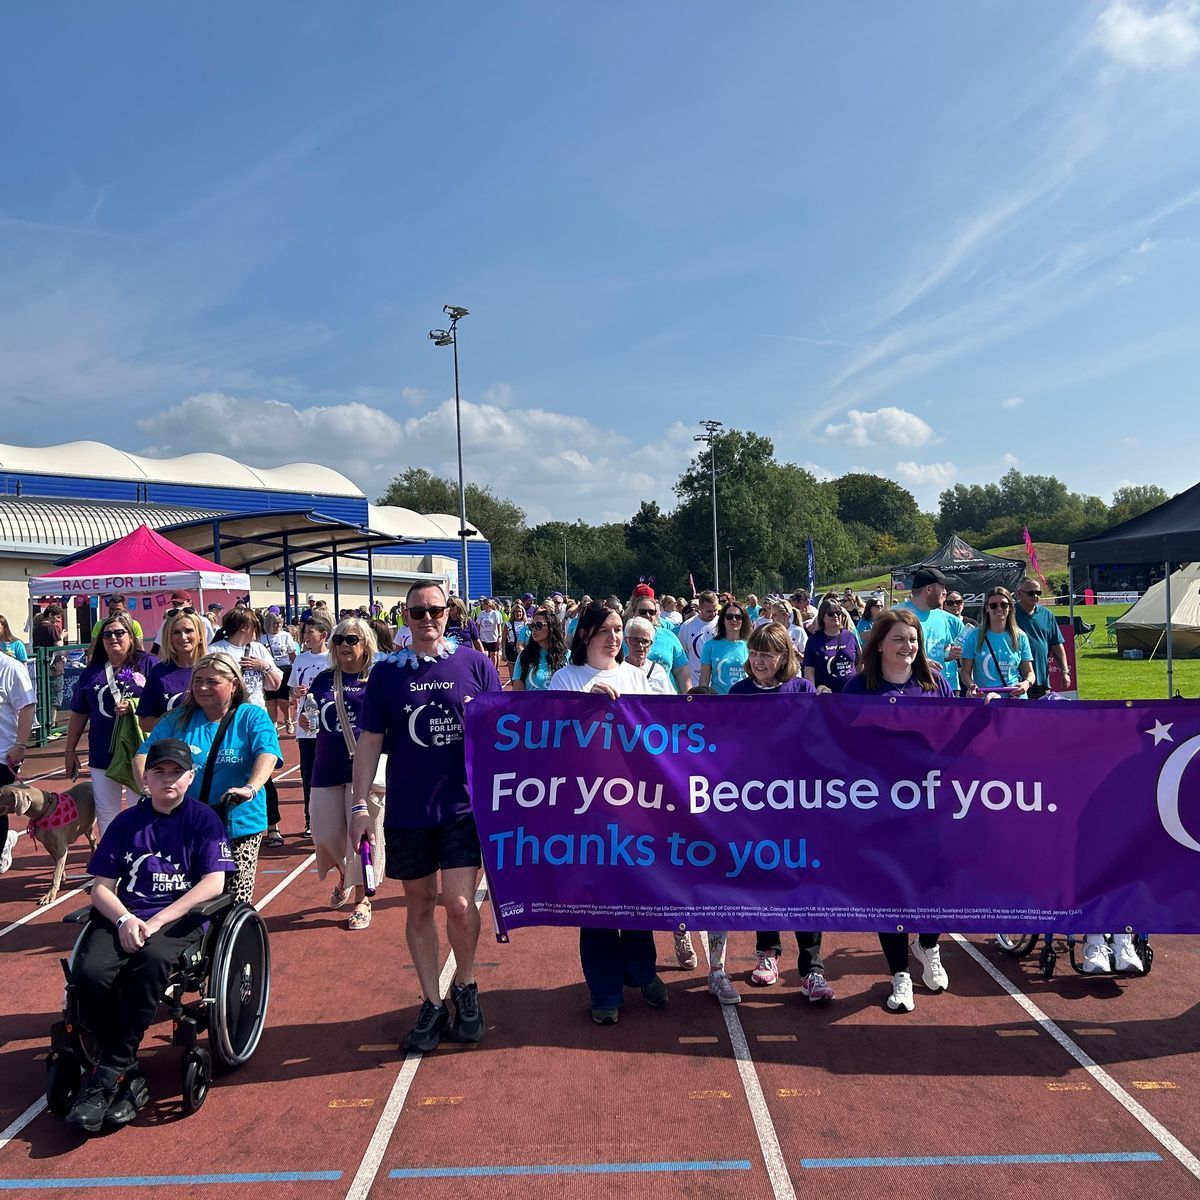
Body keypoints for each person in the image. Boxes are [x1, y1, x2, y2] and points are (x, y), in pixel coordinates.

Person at [349, 582, 501, 1052]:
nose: (428, 618)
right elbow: (370, 741)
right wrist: (358, 805)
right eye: (418, 611)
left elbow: (506, 730)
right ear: (405, 617)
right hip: (409, 807)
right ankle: (432, 1002)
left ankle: (467, 986)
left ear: (449, 612)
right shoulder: (386, 674)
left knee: (458, 904)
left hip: (462, 806)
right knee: (419, 905)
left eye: (436, 609)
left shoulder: (475, 663)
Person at [62, 738, 236, 1134]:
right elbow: (100, 887)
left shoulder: (204, 819)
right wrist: (125, 920)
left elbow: (213, 883)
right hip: (127, 917)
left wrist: (156, 922)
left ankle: (108, 1076)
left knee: (150, 964)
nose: (168, 779)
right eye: (159, 772)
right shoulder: (126, 823)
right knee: (88, 974)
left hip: (178, 921)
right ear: (146, 779)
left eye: (177, 772)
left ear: (190, 778)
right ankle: (127, 1068)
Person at [548, 602, 666, 1025]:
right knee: (595, 899)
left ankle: (642, 971)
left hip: (634, 802)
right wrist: (583, 703)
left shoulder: (637, 676)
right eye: (604, 631)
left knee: (637, 889)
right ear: (584, 635)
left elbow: (661, 734)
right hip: (585, 807)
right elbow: (547, 734)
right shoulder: (566, 678)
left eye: (618, 630)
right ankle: (604, 990)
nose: (614, 638)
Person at [843, 609, 954, 1013]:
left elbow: (953, 734)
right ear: (880, 645)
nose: (908, 647)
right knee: (889, 890)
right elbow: (840, 743)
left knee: (937, 886)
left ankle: (928, 946)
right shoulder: (858, 688)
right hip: (878, 810)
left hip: (928, 805)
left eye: (913, 639)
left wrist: (989, 713)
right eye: (899, 640)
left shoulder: (934, 683)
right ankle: (900, 974)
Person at [723, 623, 830, 1001]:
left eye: (767, 653)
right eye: (754, 653)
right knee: (764, 878)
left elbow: (820, 739)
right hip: (755, 803)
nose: (759, 661)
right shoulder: (738, 692)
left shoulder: (801, 689)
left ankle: (812, 968)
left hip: (798, 803)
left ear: (784, 656)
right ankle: (767, 953)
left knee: (803, 881)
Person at [134, 652, 281, 903]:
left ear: (233, 684)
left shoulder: (251, 717)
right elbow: (143, 755)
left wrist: (251, 788)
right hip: (187, 822)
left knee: (234, 899)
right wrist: (147, 788)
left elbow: (267, 753)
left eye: (213, 681)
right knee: (187, 895)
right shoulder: (177, 719)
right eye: (198, 680)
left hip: (237, 823)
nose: (202, 687)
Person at [307, 618, 382, 932]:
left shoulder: (377, 679)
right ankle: (344, 873)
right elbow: (311, 717)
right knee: (324, 833)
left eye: (351, 639)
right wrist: (303, 716)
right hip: (326, 765)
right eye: (338, 640)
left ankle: (362, 899)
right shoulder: (323, 680)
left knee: (363, 837)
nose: (343, 646)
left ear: (365, 643)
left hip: (365, 769)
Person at [65, 614, 156, 837]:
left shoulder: (149, 665)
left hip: (140, 752)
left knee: (141, 807)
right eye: (107, 634)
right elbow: (79, 713)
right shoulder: (92, 672)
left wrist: (134, 706)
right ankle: (112, 861)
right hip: (102, 752)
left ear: (131, 637)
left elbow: (161, 705)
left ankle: (140, 856)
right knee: (107, 812)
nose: (113, 638)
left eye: (119, 633)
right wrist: (70, 750)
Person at [210, 611, 285, 846]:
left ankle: (272, 827)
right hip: (228, 721)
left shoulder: (259, 649)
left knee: (265, 774)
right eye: (254, 626)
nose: (257, 631)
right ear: (244, 626)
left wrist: (263, 666)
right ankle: (221, 823)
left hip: (257, 719)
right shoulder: (216, 650)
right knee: (227, 769)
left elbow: (276, 683)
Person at [290, 614, 333, 838]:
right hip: (305, 726)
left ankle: (331, 820)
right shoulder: (300, 659)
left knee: (329, 773)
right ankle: (310, 820)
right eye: (304, 632)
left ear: (323, 635)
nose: (305, 636)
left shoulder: (332, 659)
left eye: (310, 633)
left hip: (328, 726)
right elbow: (292, 688)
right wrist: (295, 692)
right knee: (308, 774)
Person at [139, 609, 208, 733]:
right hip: (172, 748)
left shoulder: (214, 668)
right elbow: (144, 723)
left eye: (189, 631)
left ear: (200, 635)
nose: (183, 637)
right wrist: (169, 720)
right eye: (176, 632)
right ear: (168, 637)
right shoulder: (158, 672)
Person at [896, 568, 964, 693]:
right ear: (928, 589)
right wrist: (920, 662)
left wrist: (950, 654)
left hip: (938, 689)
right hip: (907, 689)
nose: (945, 592)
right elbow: (882, 653)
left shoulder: (942, 617)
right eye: (942, 587)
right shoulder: (895, 615)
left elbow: (942, 651)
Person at [960, 587, 1035, 699]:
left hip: (1014, 699)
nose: (999, 608)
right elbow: (965, 672)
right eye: (994, 605)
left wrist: (1026, 683)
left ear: (1010, 607)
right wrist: (971, 686)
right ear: (987, 608)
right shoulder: (974, 636)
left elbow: (1030, 672)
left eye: (1004, 605)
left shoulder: (1020, 636)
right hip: (985, 699)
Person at [0, 652, 36, 875]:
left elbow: (27, 706)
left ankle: (2, 845)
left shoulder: (10, 667)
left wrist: (20, 745)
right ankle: (6, 839)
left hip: (3, 753)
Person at [1014, 578, 1069, 699]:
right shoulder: (1010, 613)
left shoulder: (1047, 614)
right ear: (1019, 594)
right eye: (1031, 593)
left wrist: (1064, 671)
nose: (1035, 596)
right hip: (1015, 679)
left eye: (1038, 593)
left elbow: (1057, 645)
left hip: (1041, 679)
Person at [628, 592, 690, 692]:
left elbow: (681, 671)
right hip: (632, 698)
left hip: (664, 698)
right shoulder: (624, 638)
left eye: (651, 612)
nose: (647, 615)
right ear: (633, 613)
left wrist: (688, 699)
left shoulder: (669, 636)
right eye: (642, 612)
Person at [802, 599, 859, 694]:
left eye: (838, 612)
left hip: (850, 693)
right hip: (826, 696)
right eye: (831, 613)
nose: (836, 616)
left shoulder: (850, 636)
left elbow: (859, 664)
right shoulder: (813, 641)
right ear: (822, 617)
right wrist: (812, 694)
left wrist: (861, 687)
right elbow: (809, 672)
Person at [698, 600, 750, 695]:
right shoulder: (710, 646)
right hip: (719, 701)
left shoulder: (750, 646)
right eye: (729, 617)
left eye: (738, 617)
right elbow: (704, 679)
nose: (734, 620)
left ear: (743, 620)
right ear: (723, 620)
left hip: (744, 701)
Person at [260, 610, 299, 734]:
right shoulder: (262, 639)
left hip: (284, 668)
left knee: (283, 699)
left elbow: (292, 655)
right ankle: (274, 725)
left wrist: (296, 671)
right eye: (275, 624)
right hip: (269, 670)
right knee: (271, 701)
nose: (277, 626)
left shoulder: (285, 636)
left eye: (279, 623)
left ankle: (287, 719)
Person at [511, 608, 566, 692]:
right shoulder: (524, 656)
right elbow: (518, 693)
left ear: (551, 627)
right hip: (533, 704)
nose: (533, 629)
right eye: (532, 626)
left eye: (538, 626)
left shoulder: (567, 655)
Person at [622, 616, 674, 694]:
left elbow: (670, 701)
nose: (640, 645)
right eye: (635, 640)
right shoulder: (618, 669)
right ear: (626, 641)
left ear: (651, 644)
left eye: (645, 641)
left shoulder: (658, 672)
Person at [678, 591, 718, 686]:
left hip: (718, 684)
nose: (713, 614)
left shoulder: (723, 624)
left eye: (715, 610)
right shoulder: (687, 626)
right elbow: (681, 655)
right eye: (709, 611)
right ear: (700, 608)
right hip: (695, 683)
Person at [476, 598, 504, 674]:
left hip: (493, 637)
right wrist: (477, 634)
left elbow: (499, 625)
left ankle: (493, 670)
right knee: (485, 654)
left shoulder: (495, 614)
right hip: (483, 637)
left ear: (488, 605)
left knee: (493, 654)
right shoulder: (481, 613)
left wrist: (499, 636)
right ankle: (486, 669)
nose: (483, 605)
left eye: (484, 604)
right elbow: (478, 625)